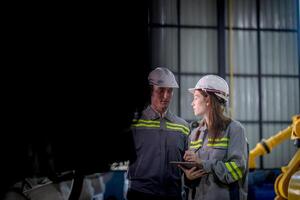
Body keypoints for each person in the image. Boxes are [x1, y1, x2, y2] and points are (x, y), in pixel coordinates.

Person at [180, 75, 248, 200]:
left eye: (196, 98)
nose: (192, 103)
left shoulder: (234, 130)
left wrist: (203, 164)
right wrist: (188, 177)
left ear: (208, 100)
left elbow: (237, 170)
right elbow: (190, 176)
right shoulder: (195, 133)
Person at [127, 67, 190, 200]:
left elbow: (187, 164)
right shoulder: (134, 123)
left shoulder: (182, 127)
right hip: (140, 194)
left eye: (170, 91)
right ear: (150, 91)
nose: (166, 96)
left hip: (173, 194)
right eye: (161, 90)